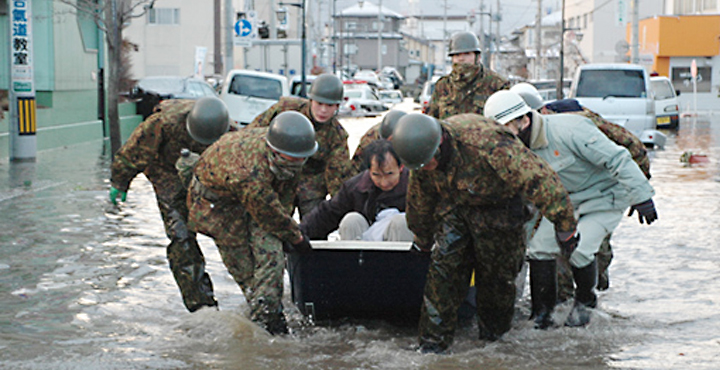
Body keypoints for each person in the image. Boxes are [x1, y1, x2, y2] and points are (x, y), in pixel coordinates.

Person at [390, 113, 578, 353]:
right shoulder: (421, 157)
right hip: (457, 207)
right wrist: (422, 238)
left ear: (440, 144)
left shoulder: (488, 145)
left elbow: (540, 180)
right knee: (442, 275)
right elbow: (420, 200)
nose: (426, 169)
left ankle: (492, 346)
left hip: (500, 209)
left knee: (496, 284)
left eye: (428, 163)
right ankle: (431, 347)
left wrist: (565, 226)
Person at [484, 90, 657, 329]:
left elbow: (617, 158)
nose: (502, 139)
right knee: (538, 248)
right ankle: (543, 315)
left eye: (505, 130)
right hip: (565, 201)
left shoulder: (570, 129)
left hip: (604, 197)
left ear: (523, 120)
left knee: (580, 251)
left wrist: (642, 197)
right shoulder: (513, 148)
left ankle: (586, 300)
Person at [186, 111, 317, 335]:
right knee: (248, 273)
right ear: (276, 152)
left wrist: (285, 234)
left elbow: (282, 200)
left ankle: (269, 314)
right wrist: (295, 236)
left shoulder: (293, 149)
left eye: (302, 160)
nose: (299, 164)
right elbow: (269, 212)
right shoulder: (249, 172)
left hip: (253, 197)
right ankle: (264, 325)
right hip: (216, 207)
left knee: (272, 256)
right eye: (293, 161)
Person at [109, 97, 229, 313]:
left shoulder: (227, 130)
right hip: (166, 169)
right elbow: (132, 153)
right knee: (180, 235)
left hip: (203, 171)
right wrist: (120, 181)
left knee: (230, 230)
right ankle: (201, 305)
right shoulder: (163, 123)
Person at [542, 98, 652, 295]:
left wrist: (638, 192)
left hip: (605, 193)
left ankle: (589, 292)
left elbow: (635, 149)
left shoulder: (589, 126)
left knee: (590, 246)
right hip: (576, 193)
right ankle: (574, 293)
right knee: (568, 246)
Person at [247, 73, 353, 219]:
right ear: (311, 100)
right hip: (279, 179)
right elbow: (253, 134)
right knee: (272, 224)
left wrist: (344, 209)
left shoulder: (336, 136)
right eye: (319, 103)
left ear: (337, 106)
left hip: (311, 189)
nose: (323, 110)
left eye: (329, 105)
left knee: (315, 229)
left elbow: (338, 177)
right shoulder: (286, 110)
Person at [301, 139, 413, 242]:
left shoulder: (415, 186)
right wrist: (298, 235)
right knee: (351, 220)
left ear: (401, 167)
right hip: (365, 243)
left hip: (401, 241)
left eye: (389, 174)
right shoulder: (355, 187)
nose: (383, 182)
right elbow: (328, 213)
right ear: (369, 170)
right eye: (376, 175)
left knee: (402, 222)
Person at [425, 31, 510, 120]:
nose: (461, 59)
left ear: (478, 57)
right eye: (457, 55)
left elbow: (509, 123)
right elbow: (431, 121)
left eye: (467, 54)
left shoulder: (497, 84)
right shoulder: (443, 86)